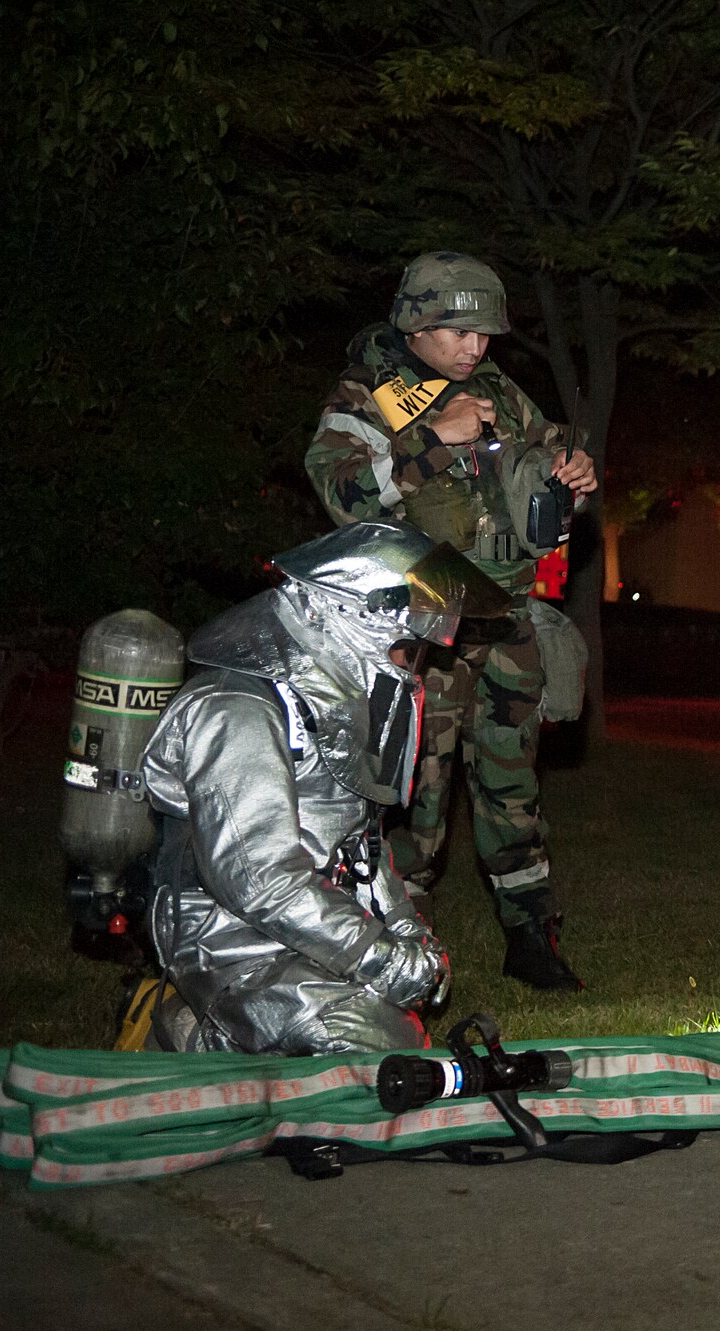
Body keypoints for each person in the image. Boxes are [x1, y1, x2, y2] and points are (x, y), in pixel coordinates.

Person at [304, 252, 598, 990]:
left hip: (505, 618)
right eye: (459, 332)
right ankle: (397, 946)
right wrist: (435, 438)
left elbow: (550, 450)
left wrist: (573, 472)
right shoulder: (367, 392)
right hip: (421, 629)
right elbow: (341, 496)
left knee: (512, 785)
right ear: (415, 323)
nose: (476, 347)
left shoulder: (496, 389)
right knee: (416, 796)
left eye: (485, 334)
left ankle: (531, 935)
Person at [141, 521, 511, 1054]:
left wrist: (408, 933)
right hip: (225, 933)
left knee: (399, 1039)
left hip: (306, 920)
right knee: (368, 1043)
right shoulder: (236, 710)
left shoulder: (327, 705)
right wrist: (380, 958)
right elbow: (259, 881)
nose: (413, 668)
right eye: (407, 649)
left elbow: (362, 843)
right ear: (349, 619)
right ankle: (191, 1032)